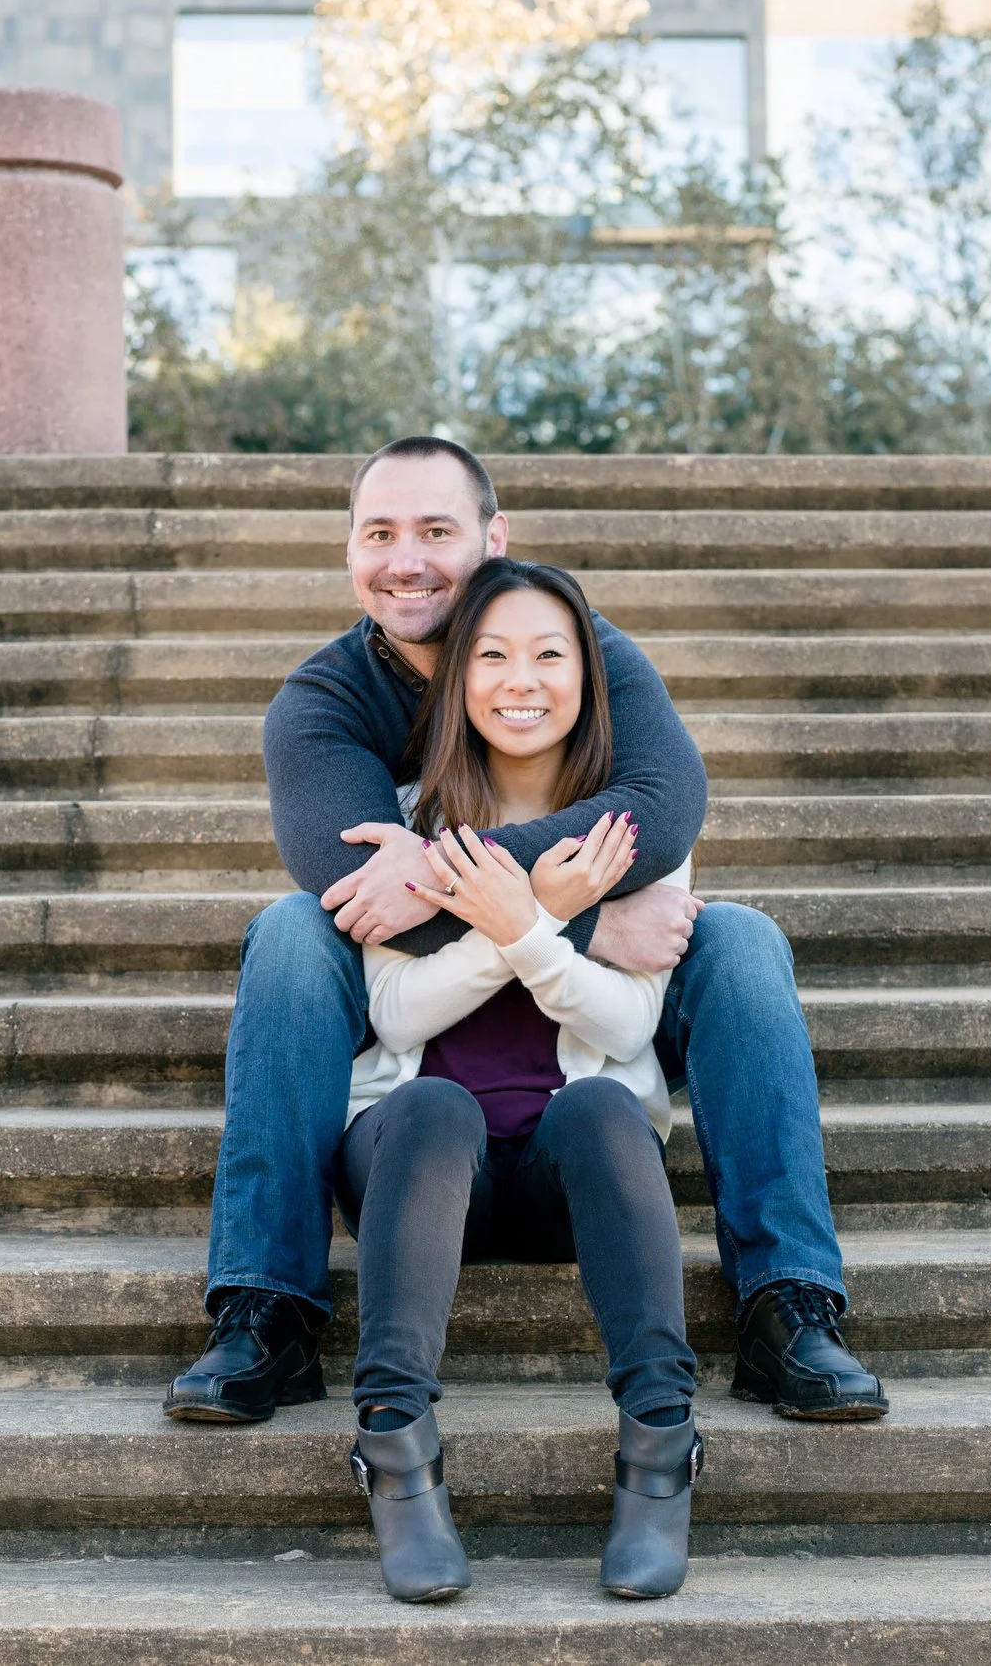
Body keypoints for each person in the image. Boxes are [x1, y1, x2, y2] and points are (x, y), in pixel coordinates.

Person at [163, 435, 886, 1429]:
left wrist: (451, 872)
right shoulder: (322, 698)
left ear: (493, 538)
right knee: (289, 933)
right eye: (379, 533)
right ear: (349, 550)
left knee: (741, 940)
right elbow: (354, 892)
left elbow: (664, 805)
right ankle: (267, 1306)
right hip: (413, 1014)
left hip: (571, 1025)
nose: (405, 558)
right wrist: (581, 911)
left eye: (436, 530)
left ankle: (786, 1301)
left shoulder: (575, 645)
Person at [339, 559, 700, 1603]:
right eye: (490, 654)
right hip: (411, 1160)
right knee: (432, 1101)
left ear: (590, 676)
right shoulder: (410, 826)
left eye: (549, 653)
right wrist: (524, 921)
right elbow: (397, 1013)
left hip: (561, 1172)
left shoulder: (636, 828)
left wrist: (526, 927)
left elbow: (632, 1018)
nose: (520, 678)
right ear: (457, 680)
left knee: (600, 1101)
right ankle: (395, 1453)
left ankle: (661, 1452)